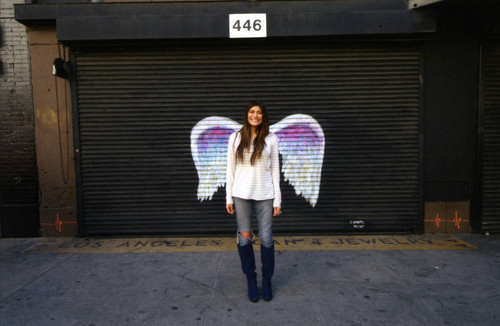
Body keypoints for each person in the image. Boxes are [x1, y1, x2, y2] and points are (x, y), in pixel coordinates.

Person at [226, 100, 282, 303]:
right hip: (240, 194)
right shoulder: (235, 138)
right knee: (245, 238)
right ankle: (251, 279)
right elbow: (230, 169)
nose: (255, 115)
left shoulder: (272, 139)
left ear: (263, 116)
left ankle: (267, 280)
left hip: (266, 194)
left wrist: (278, 200)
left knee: (266, 239)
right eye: (252, 112)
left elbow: (275, 170)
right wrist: (228, 196)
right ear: (246, 115)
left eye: (259, 112)